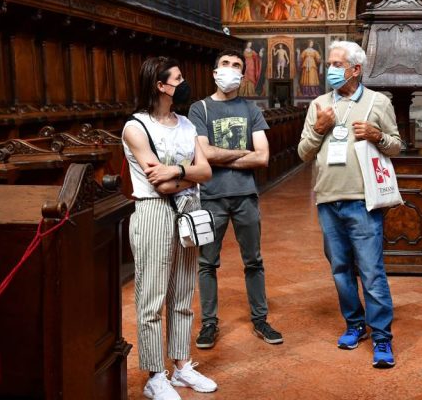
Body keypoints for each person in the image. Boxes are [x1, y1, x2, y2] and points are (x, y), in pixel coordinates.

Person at [297, 40, 402, 369]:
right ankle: (355, 324)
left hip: (363, 201)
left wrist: (376, 135)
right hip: (328, 199)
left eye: (337, 64)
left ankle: (382, 336)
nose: (330, 69)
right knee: (341, 271)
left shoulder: (378, 102)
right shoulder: (318, 104)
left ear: (356, 69)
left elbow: (396, 145)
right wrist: (318, 129)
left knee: (371, 272)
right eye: (328, 63)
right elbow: (303, 152)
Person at [122, 56, 216, 399]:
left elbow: (205, 172)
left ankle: (181, 366)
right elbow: (156, 183)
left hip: (188, 210)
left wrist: (177, 172)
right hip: (153, 212)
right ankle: (154, 375)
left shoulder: (187, 124)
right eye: (178, 78)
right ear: (160, 86)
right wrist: (186, 174)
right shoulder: (136, 127)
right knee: (152, 298)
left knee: (183, 294)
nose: (184, 82)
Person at [188, 50, 283, 350]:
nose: (230, 70)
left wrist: (219, 156)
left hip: (245, 197)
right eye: (225, 64)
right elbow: (204, 154)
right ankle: (209, 324)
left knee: (253, 260)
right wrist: (244, 155)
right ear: (214, 71)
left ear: (243, 77)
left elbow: (264, 157)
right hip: (211, 197)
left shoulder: (251, 110)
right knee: (207, 262)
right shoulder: (199, 109)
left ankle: (260, 319)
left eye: (236, 66)